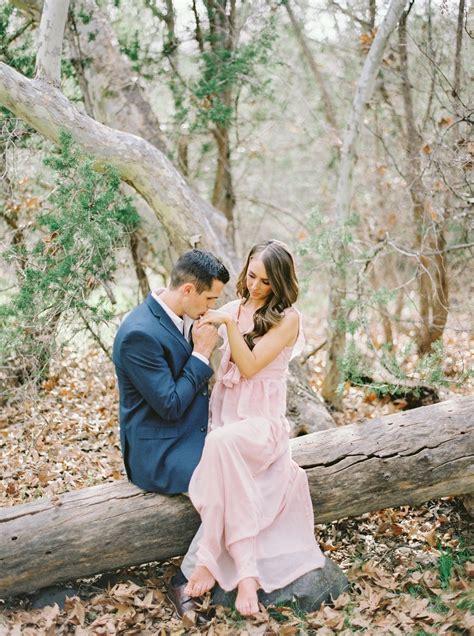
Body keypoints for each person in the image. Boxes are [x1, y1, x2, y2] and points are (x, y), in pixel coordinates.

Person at [180, 239, 326, 617]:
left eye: (265, 281)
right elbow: (195, 336)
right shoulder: (232, 307)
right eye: (252, 274)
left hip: (262, 425)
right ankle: (244, 570)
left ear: (279, 283)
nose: (255, 285)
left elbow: (249, 367)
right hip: (227, 418)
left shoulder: (287, 318)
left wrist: (228, 322)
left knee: (222, 446)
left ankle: (215, 559)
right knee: (220, 446)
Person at [112, 249, 229, 495]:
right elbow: (170, 405)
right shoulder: (139, 335)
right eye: (209, 299)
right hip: (161, 453)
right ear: (187, 289)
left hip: (196, 432)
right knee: (229, 485)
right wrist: (201, 354)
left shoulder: (185, 315)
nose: (211, 308)